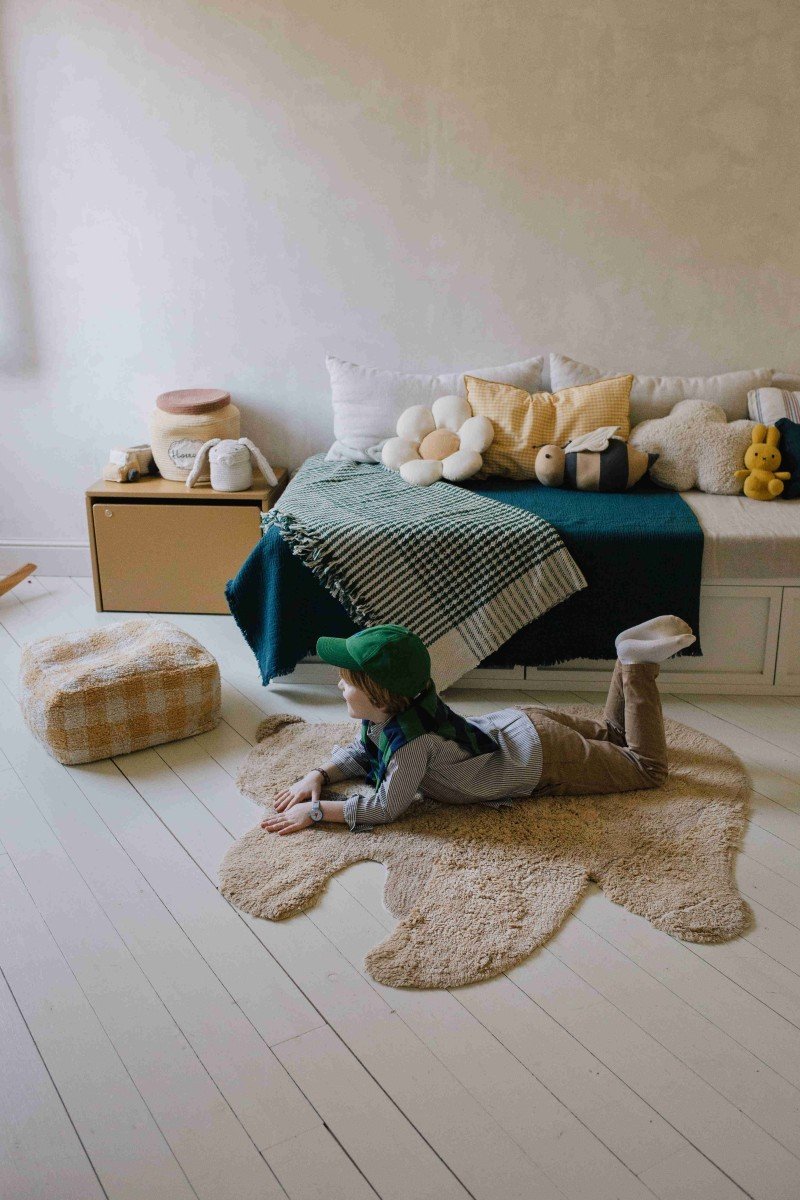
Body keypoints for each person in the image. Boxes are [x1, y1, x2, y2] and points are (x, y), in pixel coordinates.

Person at [261, 617, 695, 836]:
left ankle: (637, 667)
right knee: (613, 735)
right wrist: (318, 775)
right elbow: (363, 755)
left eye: (349, 681)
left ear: (380, 695)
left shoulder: (412, 742)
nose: (339, 684)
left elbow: (386, 808)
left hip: (543, 758)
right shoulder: (397, 712)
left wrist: (317, 812)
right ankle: (628, 657)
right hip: (522, 724)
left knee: (646, 769)